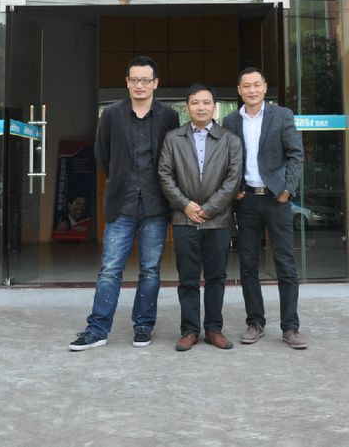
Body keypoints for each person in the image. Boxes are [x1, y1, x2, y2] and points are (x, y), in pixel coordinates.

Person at [69, 56, 180, 351]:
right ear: (127, 82)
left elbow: (174, 156)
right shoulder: (112, 115)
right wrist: (120, 178)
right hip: (121, 203)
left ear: (156, 83)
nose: (140, 85)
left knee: (151, 270)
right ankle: (97, 329)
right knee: (109, 269)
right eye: (135, 79)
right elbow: (102, 154)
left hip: (156, 204)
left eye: (146, 80)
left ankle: (143, 325)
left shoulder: (169, 116)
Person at [222, 66, 308, 350]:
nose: (252, 90)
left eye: (256, 85)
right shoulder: (230, 121)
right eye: (246, 86)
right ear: (239, 90)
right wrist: (235, 190)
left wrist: (288, 189)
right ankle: (255, 322)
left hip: (276, 199)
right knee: (248, 264)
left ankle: (290, 327)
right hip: (246, 201)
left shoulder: (282, 115)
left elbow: (295, 154)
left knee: (285, 263)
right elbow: (225, 159)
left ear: (265, 87)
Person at [157, 83, 243, 352]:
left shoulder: (230, 140)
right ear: (187, 107)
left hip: (218, 221)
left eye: (206, 103)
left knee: (216, 277)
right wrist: (186, 205)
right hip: (184, 219)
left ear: (214, 107)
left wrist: (208, 209)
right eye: (195, 103)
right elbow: (164, 175)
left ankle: (214, 329)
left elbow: (233, 180)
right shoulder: (173, 138)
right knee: (188, 279)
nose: (201, 107)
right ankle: (190, 330)